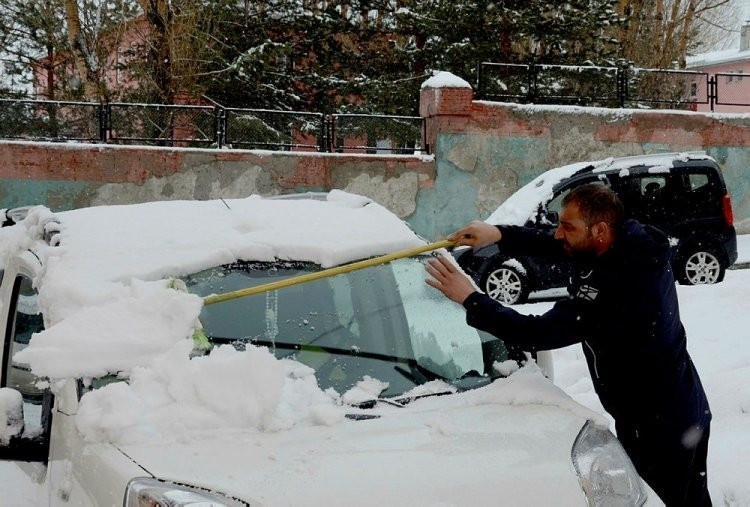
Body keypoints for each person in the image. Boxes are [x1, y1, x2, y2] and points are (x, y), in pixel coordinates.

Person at [425, 183, 712, 506]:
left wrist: (471, 299)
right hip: (682, 405)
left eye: (567, 226)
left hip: (660, 427)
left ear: (600, 230)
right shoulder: (629, 241)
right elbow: (559, 243)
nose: (559, 233)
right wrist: (499, 234)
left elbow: (537, 333)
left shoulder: (618, 288)